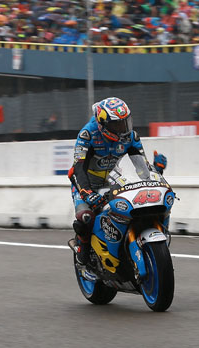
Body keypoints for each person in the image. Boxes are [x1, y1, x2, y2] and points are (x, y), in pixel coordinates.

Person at [68, 97, 167, 278]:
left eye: (125, 122)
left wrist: (156, 171)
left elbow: (142, 167)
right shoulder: (87, 135)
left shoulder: (131, 137)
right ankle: (83, 260)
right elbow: (78, 168)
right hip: (85, 184)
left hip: (113, 182)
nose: (124, 129)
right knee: (86, 217)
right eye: (117, 125)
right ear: (103, 124)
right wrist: (87, 193)